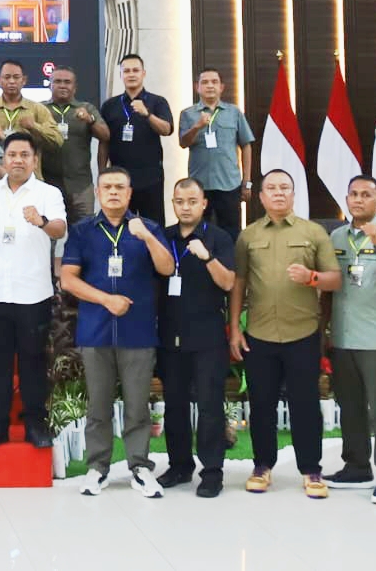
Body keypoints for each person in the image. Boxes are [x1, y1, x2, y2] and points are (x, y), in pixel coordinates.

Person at [60, 166, 174, 497]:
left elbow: (167, 268)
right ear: (97, 192)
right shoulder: (83, 231)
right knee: (98, 405)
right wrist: (106, 300)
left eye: (119, 187)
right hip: (95, 330)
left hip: (137, 331)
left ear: (129, 193)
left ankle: (139, 467)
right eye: (107, 187)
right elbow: (68, 279)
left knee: (137, 405)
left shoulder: (148, 227)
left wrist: (148, 237)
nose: (113, 192)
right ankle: (98, 468)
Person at [230, 169, 340, 499]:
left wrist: (311, 277)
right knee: (261, 404)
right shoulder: (248, 236)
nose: (279, 193)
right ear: (261, 197)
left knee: (305, 405)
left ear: (294, 194)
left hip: (302, 332)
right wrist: (234, 328)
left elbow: (335, 279)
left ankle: (311, 469)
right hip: (259, 333)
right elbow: (238, 283)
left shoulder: (313, 232)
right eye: (272, 188)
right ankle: (262, 466)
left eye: (285, 188)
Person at [0, 133, 64, 448]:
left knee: (33, 363)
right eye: (12, 154)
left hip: (33, 293)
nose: (18, 160)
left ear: (34, 159)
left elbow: (60, 229)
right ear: (3, 159)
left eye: (24, 154)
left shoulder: (48, 193)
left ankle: (35, 426)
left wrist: (41, 221)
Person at [322, 175, 376, 503]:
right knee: (350, 405)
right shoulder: (336, 237)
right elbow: (330, 287)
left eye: (366, 195)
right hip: (343, 334)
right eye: (353, 194)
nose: (358, 200)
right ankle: (357, 466)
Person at [156, 179, 236, 498]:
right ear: (173, 204)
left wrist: (207, 257)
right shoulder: (164, 237)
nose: (186, 207)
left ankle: (212, 471)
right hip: (170, 334)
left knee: (209, 406)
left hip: (207, 335)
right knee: (174, 404)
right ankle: (179, 466)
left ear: (204, 203)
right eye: (180, 201)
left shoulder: (218, 237)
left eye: (192, 201)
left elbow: (228, 283)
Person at [178, 68, 255, 236]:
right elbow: (183, 143)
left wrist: (247, 181)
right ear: (197, 87)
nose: (210, 86)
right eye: (205, 82)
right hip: (199, 185)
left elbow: (246, 145)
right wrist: (197, 126)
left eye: (214, 82)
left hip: (229, 184)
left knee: (231, 233)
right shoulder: (188, 114)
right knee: (199, 232)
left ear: (222, 87)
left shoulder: (234, 112)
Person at [99, 54, 174, 224]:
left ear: (143, 73)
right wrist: (102, 173)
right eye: (126, 71)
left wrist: (147, 114)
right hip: (120, 179)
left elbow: (167, 129)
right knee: (121, 225)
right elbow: (104, 142)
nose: (131, 74)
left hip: (151, 177)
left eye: (135, 70)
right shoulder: (110, 105)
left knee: (153, 226)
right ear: (121, 75)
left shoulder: (157, 101)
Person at [45, 65, 107, 222]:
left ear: (75, 87)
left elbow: (105, 136)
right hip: (48, 184)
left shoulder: (87, 108)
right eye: (57, 81)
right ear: (50, 85)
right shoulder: (41, 109)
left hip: (81, 185)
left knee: (85, 231)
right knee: (48, 231)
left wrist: (90, 120)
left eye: (67, 82)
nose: (62, 85)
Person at [0, 60, 62, 180]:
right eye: (7, 77)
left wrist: (34, 127)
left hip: (30, 179)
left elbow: (57, 140)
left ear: (24, 80)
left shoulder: (37, 109)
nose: (12, 81)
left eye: (16, 77)